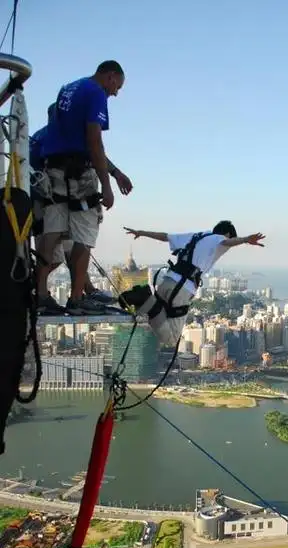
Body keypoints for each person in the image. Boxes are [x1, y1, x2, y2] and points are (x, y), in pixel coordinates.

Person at [36, 61, 133, 315]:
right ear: (110, 77)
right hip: (80, 174)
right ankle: (77, 298)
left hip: (54, 171)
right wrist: (107, 184)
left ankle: (41, 295)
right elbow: (93, 142)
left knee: (53, 232)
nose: (115, 93)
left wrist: (115, 171)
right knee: (84, 235)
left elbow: (73, 137)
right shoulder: (95, 93)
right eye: (117, 86)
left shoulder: (68, 89)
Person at [30, 105, 118, 314]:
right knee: (78, 242)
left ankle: (47, 293)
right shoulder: (70, 136)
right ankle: (72, 295)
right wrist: (112, 178)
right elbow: (95, 154)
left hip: (46, 202)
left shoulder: (41, 138)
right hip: (60, 201)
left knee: (66, 246)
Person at [119, 222, 265, 346]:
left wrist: (142, 232)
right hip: (182, 288)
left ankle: (144, 300)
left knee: (158, 316)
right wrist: (245, 239)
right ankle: (145, 298)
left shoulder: (197, 236)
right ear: (227, 233)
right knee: (171, 339)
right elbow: (228, 242)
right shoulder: (220, 239)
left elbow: (166, 236)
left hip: (167, 281)